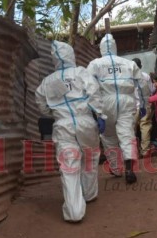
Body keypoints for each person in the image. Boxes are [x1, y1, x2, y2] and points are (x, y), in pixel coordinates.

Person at [35, 41, 105, 223]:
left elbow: (41, 105)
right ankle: (89, 195)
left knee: (69, 167)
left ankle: (74, 212)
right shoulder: (81, 72)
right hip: (86, 122)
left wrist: (55, 112)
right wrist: (100, 114)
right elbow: (94, 94)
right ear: (71, 55)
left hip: (62, 125)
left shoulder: (47, 81)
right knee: (89, 158)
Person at [87, 34, 143, 184]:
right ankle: (129, 169)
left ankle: (116, 168)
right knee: (127, 135)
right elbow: (142, 84)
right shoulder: (129, 63)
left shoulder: (95, 64)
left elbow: (90, 89)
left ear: (101, 48)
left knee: (108, 137)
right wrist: (144, 104)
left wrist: (97, 112)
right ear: (115, 46)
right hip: (126, 101)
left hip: (106, 102)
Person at [132, 58, 156, 157]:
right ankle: (145, 151)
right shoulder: (145, 76)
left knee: (130, 130)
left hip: (133, 108)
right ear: (140, 66)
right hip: (146, 106)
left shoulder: (127, 78)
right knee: (145, 127)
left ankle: (133, 153)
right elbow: (152, 90)